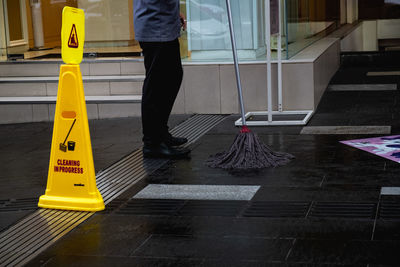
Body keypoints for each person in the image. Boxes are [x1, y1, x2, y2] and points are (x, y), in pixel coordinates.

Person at [133, 0, 190, 158]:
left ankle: (161, 133)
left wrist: (174, 12)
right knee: (157, 85)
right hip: (155, 29)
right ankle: (152, 143)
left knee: (173, 77)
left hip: (163, 24)